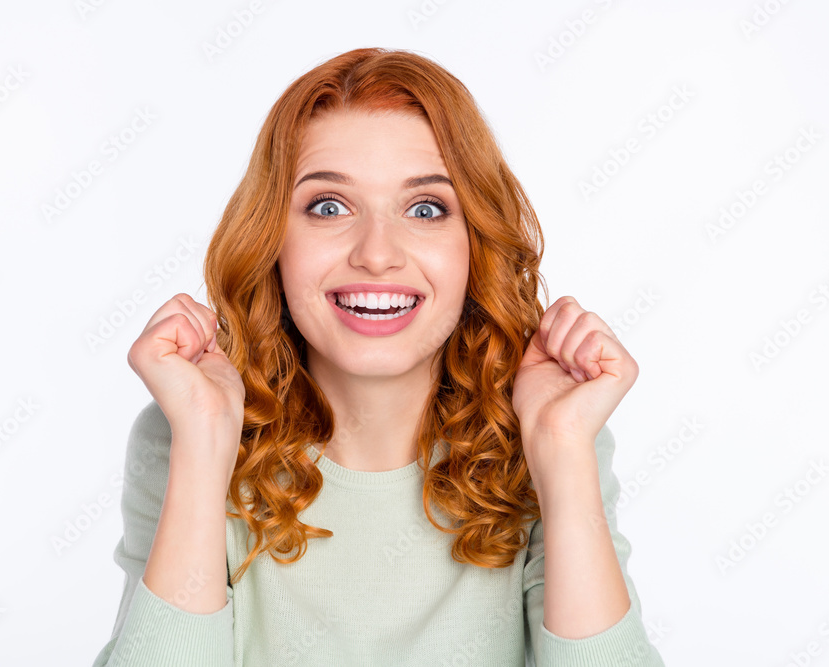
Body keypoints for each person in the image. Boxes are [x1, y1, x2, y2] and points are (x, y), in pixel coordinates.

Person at [92, 47, 665, 666]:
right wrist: (203, 443)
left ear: (475, 243)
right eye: (329, 206)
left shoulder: (543, 437)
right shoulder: (186, 431)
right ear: (271, 240)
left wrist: (562, 449)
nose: (377, 253)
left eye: (425, 209)